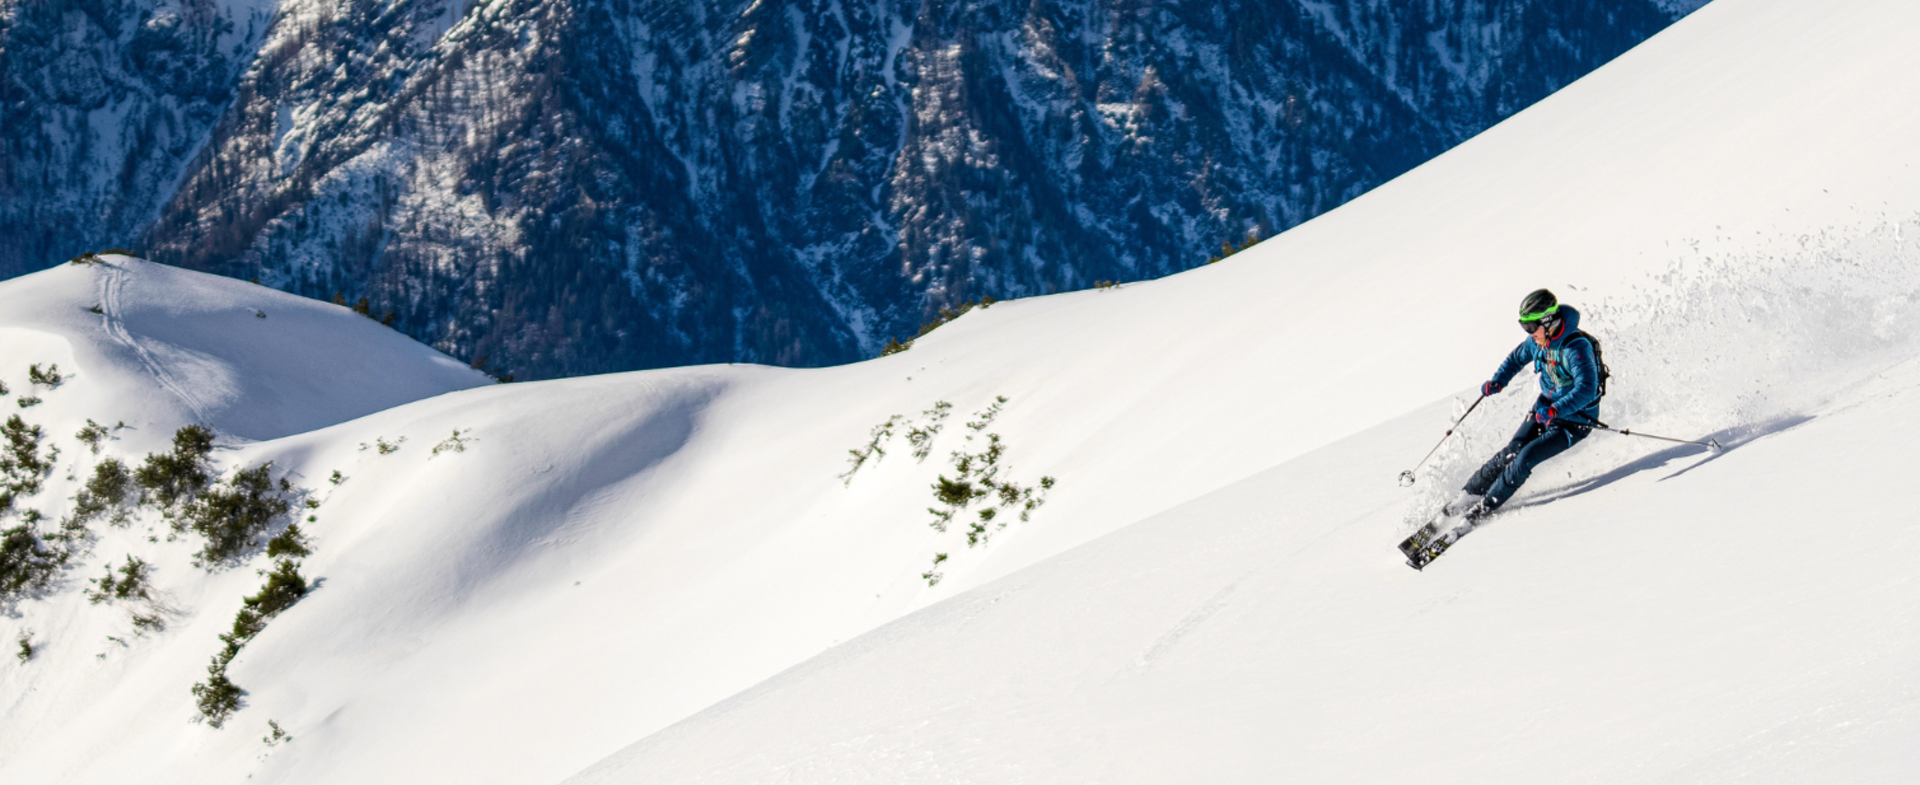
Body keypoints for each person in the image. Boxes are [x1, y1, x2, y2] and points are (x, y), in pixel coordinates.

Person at [1449, 289, 1601, 520]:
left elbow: (1587, 388)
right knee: (1512, 450)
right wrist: (1499, 380)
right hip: (1545, 408)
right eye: (1525, 327)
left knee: (1525, 457)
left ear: (1548, 322)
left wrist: (1557, 410)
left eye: (1531, 327)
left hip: (1574, 421)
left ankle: (1484, 507)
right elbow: (1516, 359)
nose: (1529, 334)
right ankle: (1467, 496)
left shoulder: (1575, 347)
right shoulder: (1537, 342)